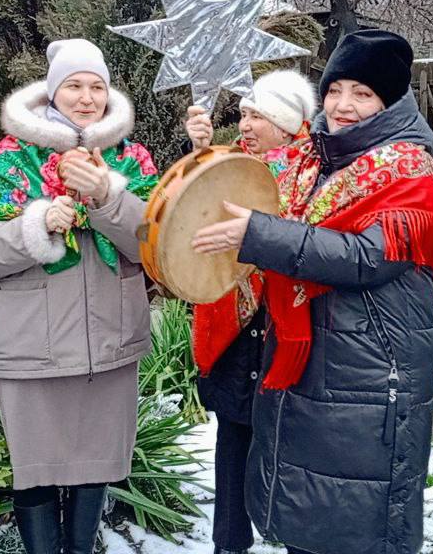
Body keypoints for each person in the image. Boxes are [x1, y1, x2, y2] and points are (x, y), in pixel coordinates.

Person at [191, 30, 433, 554]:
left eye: (363, 93)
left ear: (390, 100)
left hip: (370, 373)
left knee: (353, 522)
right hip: (309, 365)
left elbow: (366, 257)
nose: (343, 105)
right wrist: (201, 161)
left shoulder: (409, 170)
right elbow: (246, 180)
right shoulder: (311, 160)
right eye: (335, 90)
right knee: (308, 515)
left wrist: (260, 235)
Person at [0, 39, 160, 554]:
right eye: (73, 85)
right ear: (52, 91)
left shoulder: (130, 159)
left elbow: (156, 243)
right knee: (37, 469)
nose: (87, 97)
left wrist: (107, 197)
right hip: (33, 349)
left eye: (97, 86)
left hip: (108, 346)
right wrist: (36, 223)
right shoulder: (12, 159)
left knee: (95, 465)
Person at [183, 69, 317, 554]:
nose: (244, 125)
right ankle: (230, 541)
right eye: (242, 114)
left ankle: (297, 538)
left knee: (292, 442)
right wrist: (199, 154)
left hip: (289, 327)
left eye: (256, 115)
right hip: (238, 330)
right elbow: (189, 215)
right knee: (234, 436)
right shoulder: (232, 166)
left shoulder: (316, 173)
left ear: (285, 123)